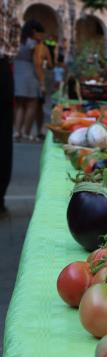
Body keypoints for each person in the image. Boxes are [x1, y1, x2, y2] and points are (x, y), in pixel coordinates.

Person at [0, 0, 19, 216]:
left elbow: (14, 28)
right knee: (4, 133)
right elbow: (15, 28)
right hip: (3, 65)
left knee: (4, 133)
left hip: (3, 64)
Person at [13, 20, 45, 143]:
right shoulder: (33, 44)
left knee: (19, 105)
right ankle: (26, 132)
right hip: (30, 76)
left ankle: (17, 132)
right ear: (34, 31)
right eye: (40, 33)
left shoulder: (18, 42)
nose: (41, 36)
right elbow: (37, 64)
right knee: (31, 104)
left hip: (18, 75)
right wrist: (42, 82)